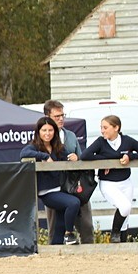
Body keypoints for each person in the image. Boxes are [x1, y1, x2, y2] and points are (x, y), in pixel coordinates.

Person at [81, 114, 138, 243]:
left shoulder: (127, 141)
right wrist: (108, 160)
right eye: (101, 127)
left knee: (125, 216)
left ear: (116, 128)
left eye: (105, 127)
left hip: (126, 182)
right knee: (125, 207)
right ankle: (114, 233)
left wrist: (130, 156)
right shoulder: (101, 142)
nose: (102, 130)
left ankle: (122, 244)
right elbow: (85, 155)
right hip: (108, 183)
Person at [21, 117, 81, 245]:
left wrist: (75, 157)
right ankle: (69, 234)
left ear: (55, 132)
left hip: (61, 189)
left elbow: (69, 157)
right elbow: (24, 153)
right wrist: (45, 156)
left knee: (60, 224)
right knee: (73, 203)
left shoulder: (58, 147)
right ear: (38, 132)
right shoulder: (34, 147)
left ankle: (56, 248)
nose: (47, 133)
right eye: (44, 130)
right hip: (46, 192)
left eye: (50, 130)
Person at [42, 100, 93, 244]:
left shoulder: (70, 135)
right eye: (57, 116)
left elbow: (81, 156)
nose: (61, 119)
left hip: (74, 185)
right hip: (54, 187)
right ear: (47, 116)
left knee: (86, 226)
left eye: (62, 115)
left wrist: (78, 157)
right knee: (54, 228)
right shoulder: (42, 138)